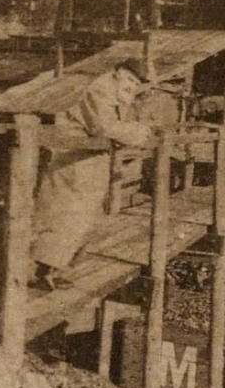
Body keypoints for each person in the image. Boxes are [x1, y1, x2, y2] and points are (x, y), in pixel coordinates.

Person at [30, 58, 153, 290]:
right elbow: (103, 127)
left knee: (79, 219)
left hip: (89, 163)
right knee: (64, 217)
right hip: (73, 161)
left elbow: (113, 130)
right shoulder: (100, 89)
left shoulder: (116, 93)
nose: (132, 86)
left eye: (137, 83)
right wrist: (138, 133)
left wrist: (131, 132)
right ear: (118, 72)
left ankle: (54, 269)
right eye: (129, 79)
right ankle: (42, 271)